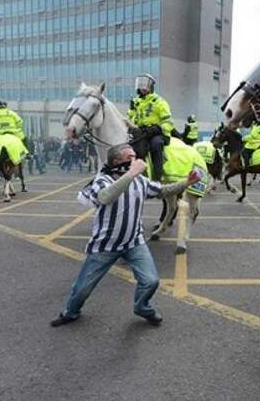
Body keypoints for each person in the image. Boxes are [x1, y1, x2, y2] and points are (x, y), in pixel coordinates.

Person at [51, 143, 201, 327]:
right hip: (105, 245)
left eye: (135, 156)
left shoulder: (140, 180)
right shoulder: (102, 180)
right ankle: (70, 312)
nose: (136, 160)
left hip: (134, 242)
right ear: (116, 161)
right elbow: (105, 197)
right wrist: (131, 173)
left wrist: (186, 183)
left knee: (151, 281)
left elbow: (162, 191)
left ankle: (142, 307)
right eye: (130, 157)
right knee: (83, 288)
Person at [127, 73, 180, 181]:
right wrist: (131, 110)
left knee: (156, 145)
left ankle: (157, 178)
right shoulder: (136, 102)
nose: (143, 88)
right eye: (140, 86)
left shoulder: (160, 102)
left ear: (151, 87)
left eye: (145, 86)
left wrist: (158, 128)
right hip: (142, 132)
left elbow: (168, 122)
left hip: (158, 133)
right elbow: (131, 119)